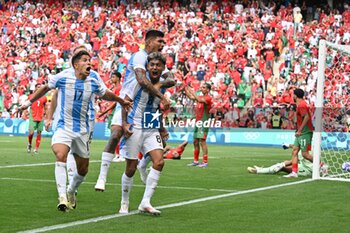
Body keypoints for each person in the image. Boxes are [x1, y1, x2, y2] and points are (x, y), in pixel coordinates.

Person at [19, 50, 132, 212]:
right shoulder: (63, 76)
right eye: (85, 60)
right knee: (60, 154)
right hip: (64, 126)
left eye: (89, 60)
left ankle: (71, 190)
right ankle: (62, 196)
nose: (89, 63)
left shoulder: (93, 79)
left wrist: (121, 100)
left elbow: (106, 94)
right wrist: (27, 103)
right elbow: (45, 88)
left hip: (83, 130)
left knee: (83, 169)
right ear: (75, 64)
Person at [94, 29, 175, 192]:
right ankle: (102, 176)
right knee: (116, 133)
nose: (162, 45)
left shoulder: (156, 60)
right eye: (160, 41)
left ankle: (143, 166)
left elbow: (171, 79)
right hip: (128, 102)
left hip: (149, 106)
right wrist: (161, 92)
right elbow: (141, 79)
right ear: (150, 41)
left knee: (161, 142)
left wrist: (160, 86)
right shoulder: (140, 56)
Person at [118, 52, 167, 215]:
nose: (154, 67)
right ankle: (124, 202)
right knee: (130, 168)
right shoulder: (138, 83)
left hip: (151, 127)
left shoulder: (164, 85)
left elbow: (156, 108)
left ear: (162, 68)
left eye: (158, 65)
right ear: (147, 67)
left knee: (159, 162)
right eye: (151, 64)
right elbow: (125, 101)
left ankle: (145, 202)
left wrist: (161, 127)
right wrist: (124, 123)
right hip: (135, 126)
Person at [284, 89, 313, 178]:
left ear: (296, 95)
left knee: (305, 154)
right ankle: (294, 172)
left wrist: (300, 130)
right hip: (300, 132)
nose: (293, 96)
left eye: (293, 94)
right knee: (295, 151)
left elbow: (307, 117)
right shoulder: (300, 104)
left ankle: (322, 165)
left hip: (305, 132)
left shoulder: (302, 104)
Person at [184, 83, 212, 167]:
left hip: (204, 122)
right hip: (198, 122)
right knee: (195, 141)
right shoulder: (200, 97)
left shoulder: (208, 98)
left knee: (202, 141)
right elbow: (192, 97)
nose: (202, 88)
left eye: (204, 87)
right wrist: (185, 89)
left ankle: (205, 162)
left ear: (208, 90)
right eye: (202, 87)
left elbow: (198, 99)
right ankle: (195, 161)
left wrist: (193, 92)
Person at [247, 143, 313, 176]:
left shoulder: (306, 150)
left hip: (308, 170)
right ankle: (262, 169)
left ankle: (258, 171)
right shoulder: (304, 145)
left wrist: (281, 165)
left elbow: (293, 161)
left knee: (282, 167)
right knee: (283, 163)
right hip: (303, 165)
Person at [27, 83, 47, 154]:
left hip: (41, 117)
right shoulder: (31, 96)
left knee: (39, 133)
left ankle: (36, 149)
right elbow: (27, 105)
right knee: (31, 133)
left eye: (40, 87)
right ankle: (29, 144)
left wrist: (45, 113)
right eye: (38, 87)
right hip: (32, 116)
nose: (39, 88)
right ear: (35, 88)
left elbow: (45, 107)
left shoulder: (44, 97)